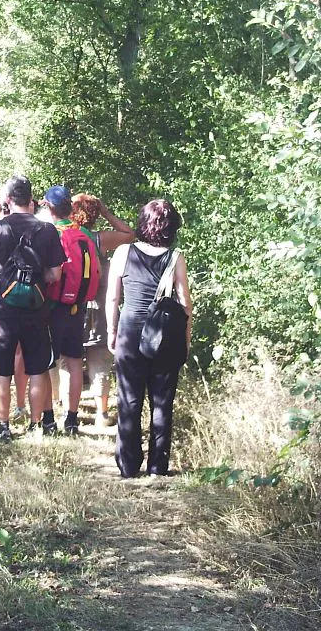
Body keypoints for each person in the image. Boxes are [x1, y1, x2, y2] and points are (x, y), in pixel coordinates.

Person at [106, 199, 192, 477]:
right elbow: (185, 303)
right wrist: (186, 338)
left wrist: (112, 331)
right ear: (171, 227)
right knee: (162, 400)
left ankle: (129, 466)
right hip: (164, 335)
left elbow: (112, 297)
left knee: (129, 399)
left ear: (143, 223)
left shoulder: (123, 252)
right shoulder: (175, 258)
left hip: (130, 331)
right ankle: (158, 466)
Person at [0, 175, 65, 441]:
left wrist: (4, 285)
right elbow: (55, 274)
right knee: (37, 367)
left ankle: (3, 428)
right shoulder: (47, 230)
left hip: (3, 310)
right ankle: (36, 425)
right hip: (36, 309)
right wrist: (33, 284)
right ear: (32, 199)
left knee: (1, 369)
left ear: (7, 199)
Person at [40, 185, 103, 436]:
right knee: (75, 361)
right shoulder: (85, 234)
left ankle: (47, 419)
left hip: (51, 307)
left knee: (46, 363)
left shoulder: (49, 233)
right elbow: (95, 271)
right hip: (78, 308)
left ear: (49, 207)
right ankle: (73, 419)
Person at [70, 193, 134, 428]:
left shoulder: (65, 235)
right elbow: (129, 234)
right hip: (98, 308)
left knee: (70, 359)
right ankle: (102, 413)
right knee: (99, 361)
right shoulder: (100, 239)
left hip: (70, 306)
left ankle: (67, 408)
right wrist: (106, 212)